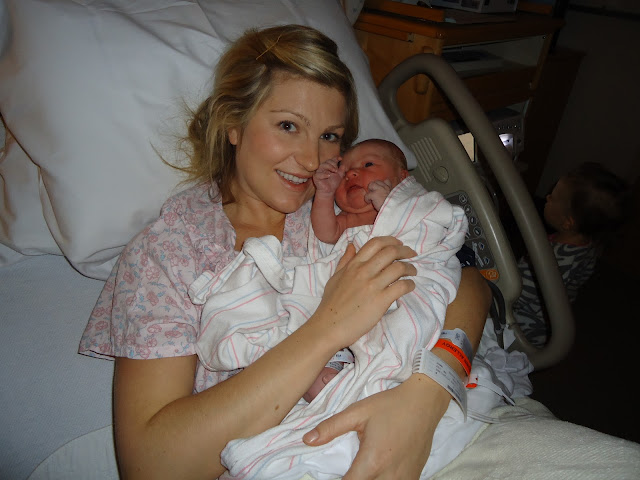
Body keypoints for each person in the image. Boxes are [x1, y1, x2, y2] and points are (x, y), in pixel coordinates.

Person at [79, 24, 491, 480]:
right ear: (234, 123)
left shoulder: (346, 204)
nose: (313, 160)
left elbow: (467, 282)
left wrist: (425, 396)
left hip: (433, 424)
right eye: (288, 126)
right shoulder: (173, 250)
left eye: (330, 136)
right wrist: (327, 327)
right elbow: (152, 466)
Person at [305, 138, 410, 402]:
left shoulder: (410, 211)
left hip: (393, 296)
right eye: (344, 173)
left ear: (402, 178)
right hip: (348, 304)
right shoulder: (349, 219)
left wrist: (392, 208)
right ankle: (338, 365)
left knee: (395, 331)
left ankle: (388, 369)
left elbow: (419, 238)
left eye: (368, 164)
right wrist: (324, 194)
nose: (351, 173)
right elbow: (326, 232)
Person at [513, 161, 630, 346]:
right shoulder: (587, 245)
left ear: (568, 222)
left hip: (526, 324)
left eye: (553, 197)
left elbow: (517, 294)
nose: (547, 197)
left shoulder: (554, 261)